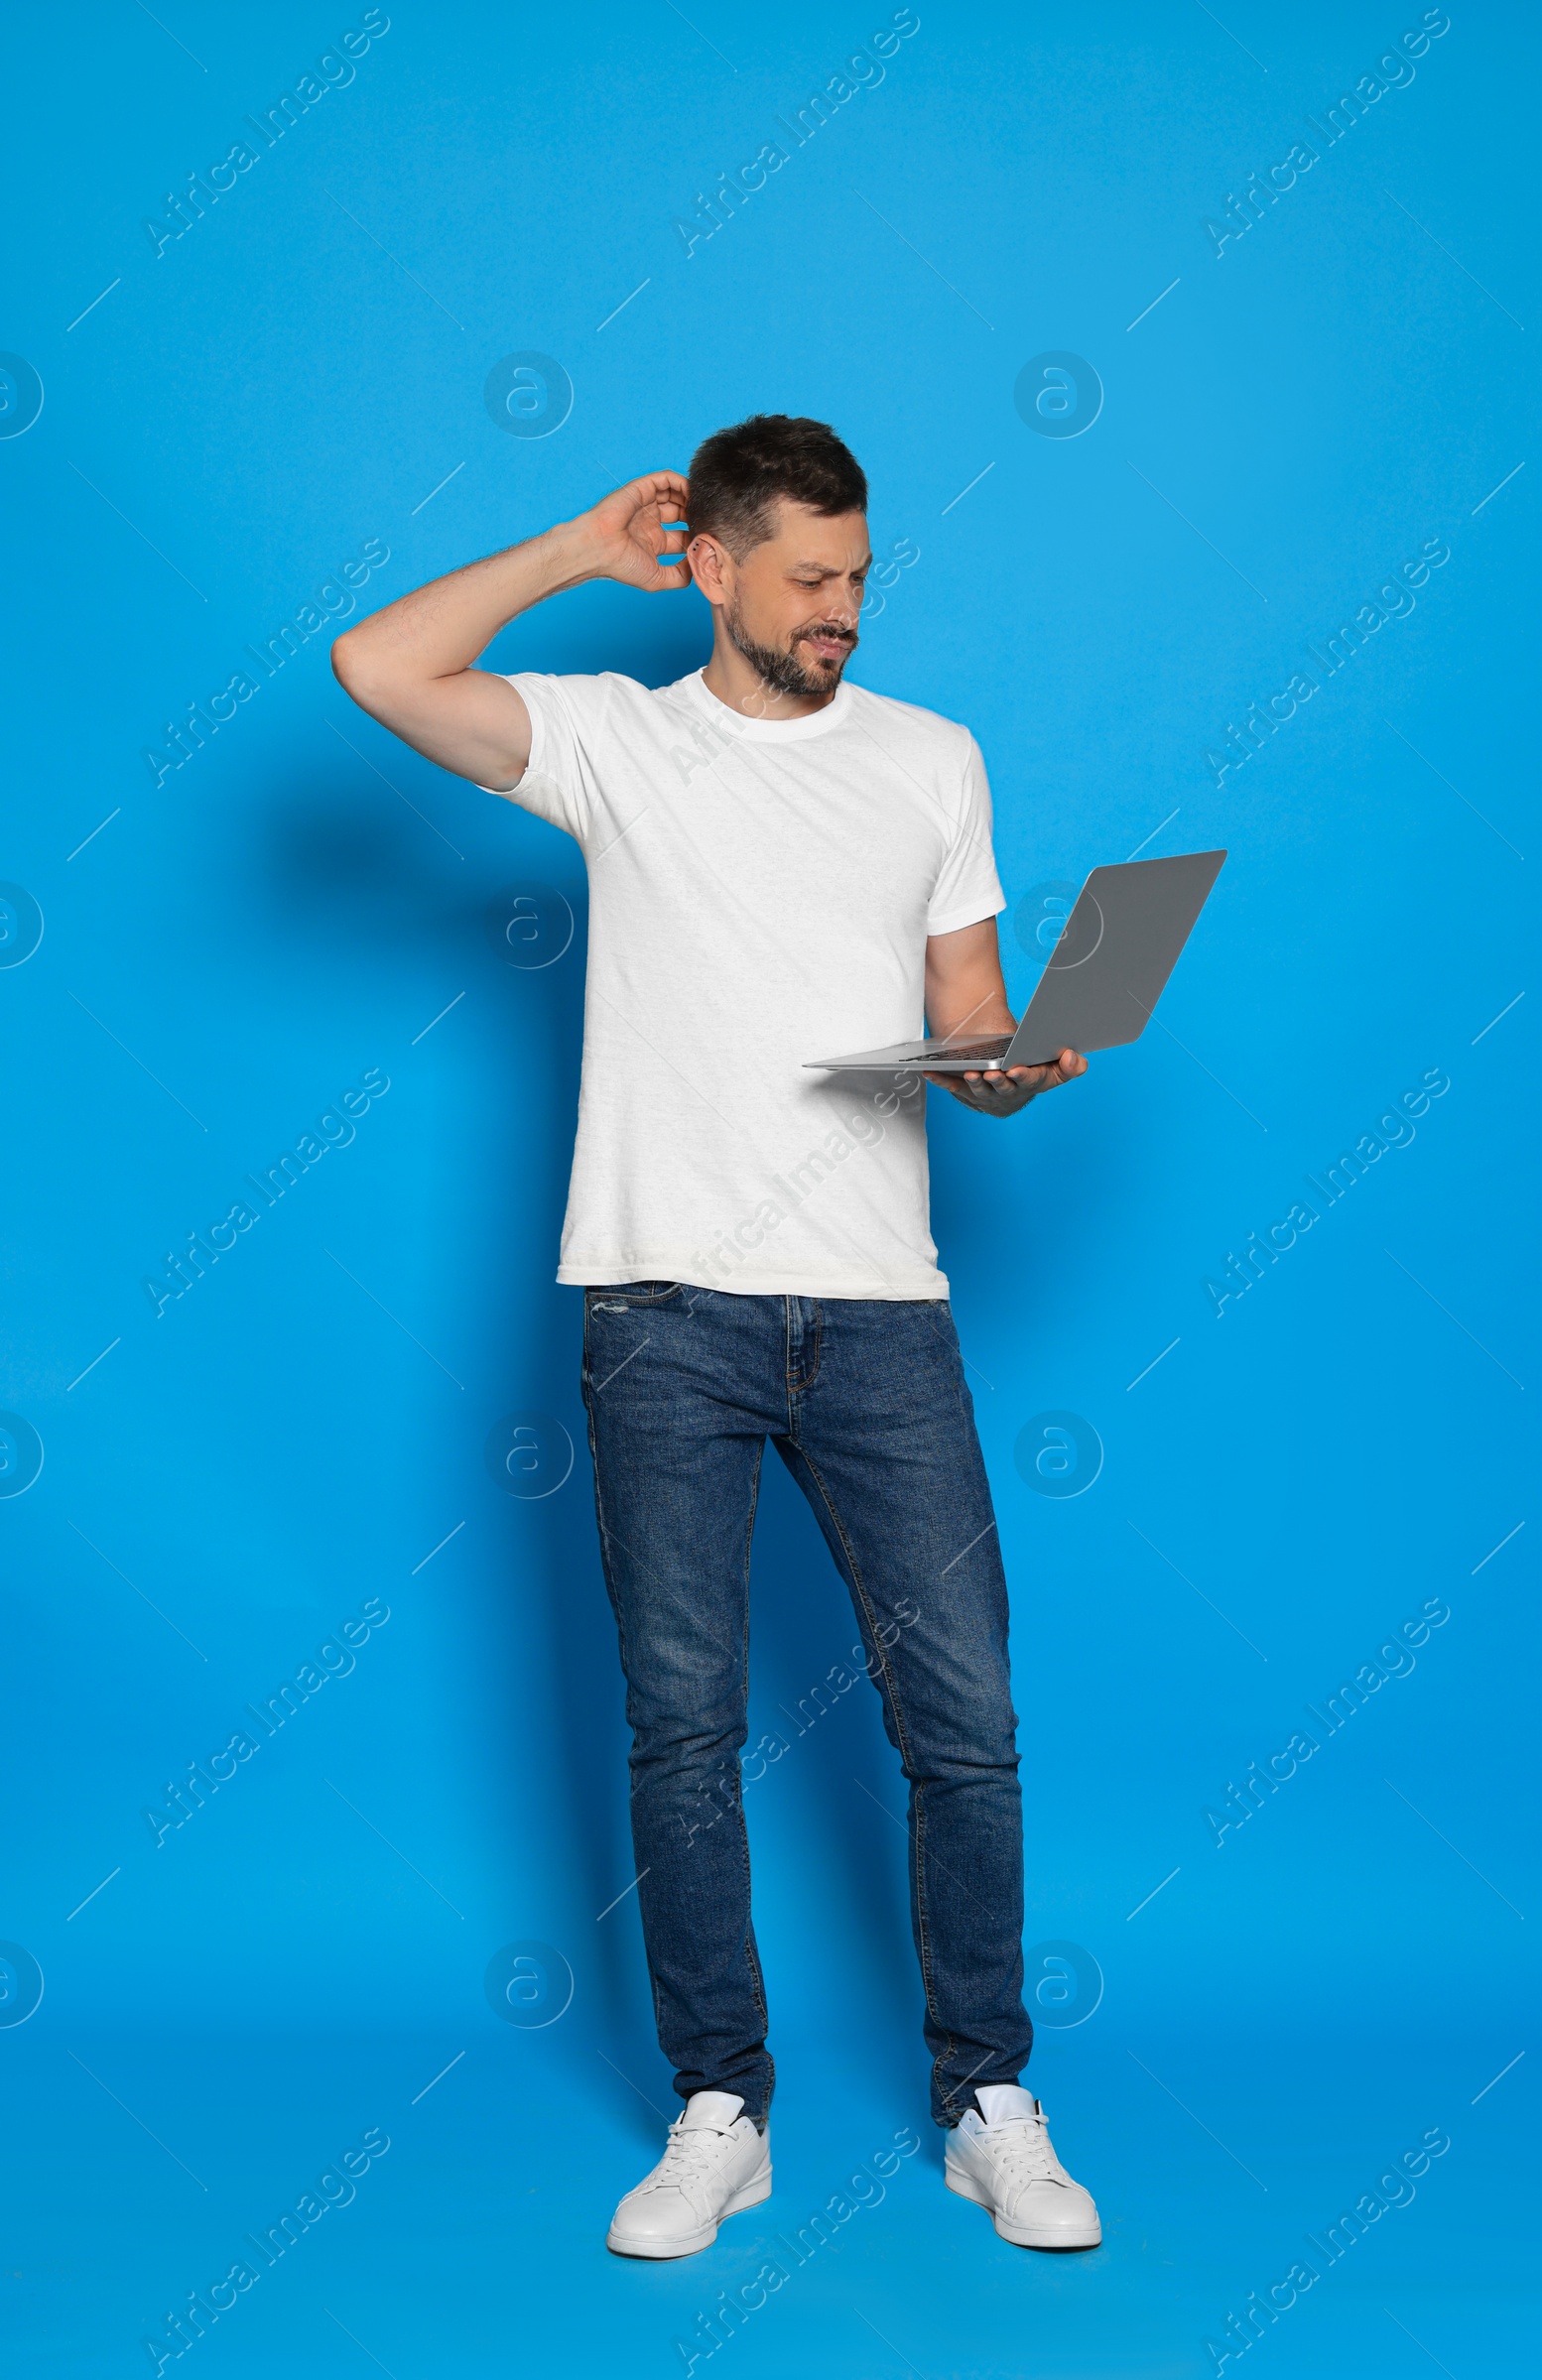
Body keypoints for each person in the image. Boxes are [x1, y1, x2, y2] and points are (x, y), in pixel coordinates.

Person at [332, 414, 1101, 2257]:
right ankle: (719, 2110)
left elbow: (966, 1021)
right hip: (665, 1307)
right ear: (717, 569)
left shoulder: (930, 758)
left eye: (861, 574)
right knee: (682, 1733)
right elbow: (379, 667)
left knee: (968, 1727)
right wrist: (568, 555)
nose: (846, 607)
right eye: (814, 577)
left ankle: (991, 2097)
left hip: (881, 1311)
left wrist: (1008, 1072)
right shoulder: (613, 737)